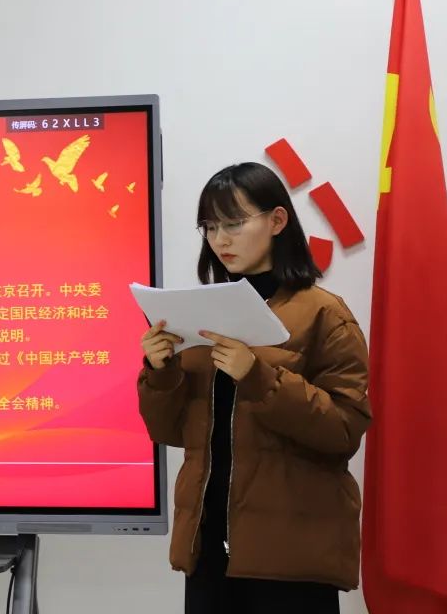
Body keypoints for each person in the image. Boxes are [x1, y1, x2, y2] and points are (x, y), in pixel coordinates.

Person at [137, 162, 372, 614]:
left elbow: (344, 431)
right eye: (210, 227)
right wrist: (160, 371)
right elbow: (168, 432)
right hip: (207, 551)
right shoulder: (198, 316)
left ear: (277, 220)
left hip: (291, 558)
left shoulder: (323, 314)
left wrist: (259, 377)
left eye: (234, 223)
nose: (220, 240)